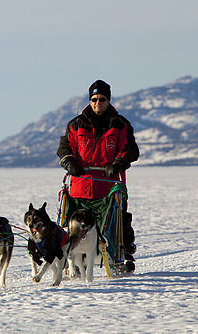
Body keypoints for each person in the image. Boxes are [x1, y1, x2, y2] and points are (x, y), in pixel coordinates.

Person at [56, 79, 139, 271]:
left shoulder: (119, 124)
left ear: (108, 100)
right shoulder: (76, 124)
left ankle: (121, 251)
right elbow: (64, 147)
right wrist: (69, 161)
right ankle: (69, 255)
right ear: (89, 100)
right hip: (79, 187)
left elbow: (130, 150)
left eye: (102, 99)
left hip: (107, 188)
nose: (97, 103)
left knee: (114, 220)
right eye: (94, 99)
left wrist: (117, 164)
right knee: (71, 223)